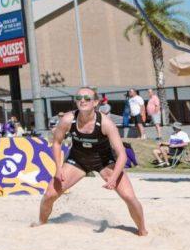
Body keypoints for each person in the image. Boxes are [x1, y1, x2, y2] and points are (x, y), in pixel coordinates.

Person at [37, 87, 146, 235]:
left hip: (103, 161)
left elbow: (122, 155)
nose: (82, 100)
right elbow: (56, 143)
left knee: (129, 197)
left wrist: (113, 178)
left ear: (95, 102)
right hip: (77, 160)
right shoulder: (68, 119)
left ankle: (142, 230)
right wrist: (58, 168)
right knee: (49, 195)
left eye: (87, 98)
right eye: (79, 98)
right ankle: (41, 224)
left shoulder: (106, 123)